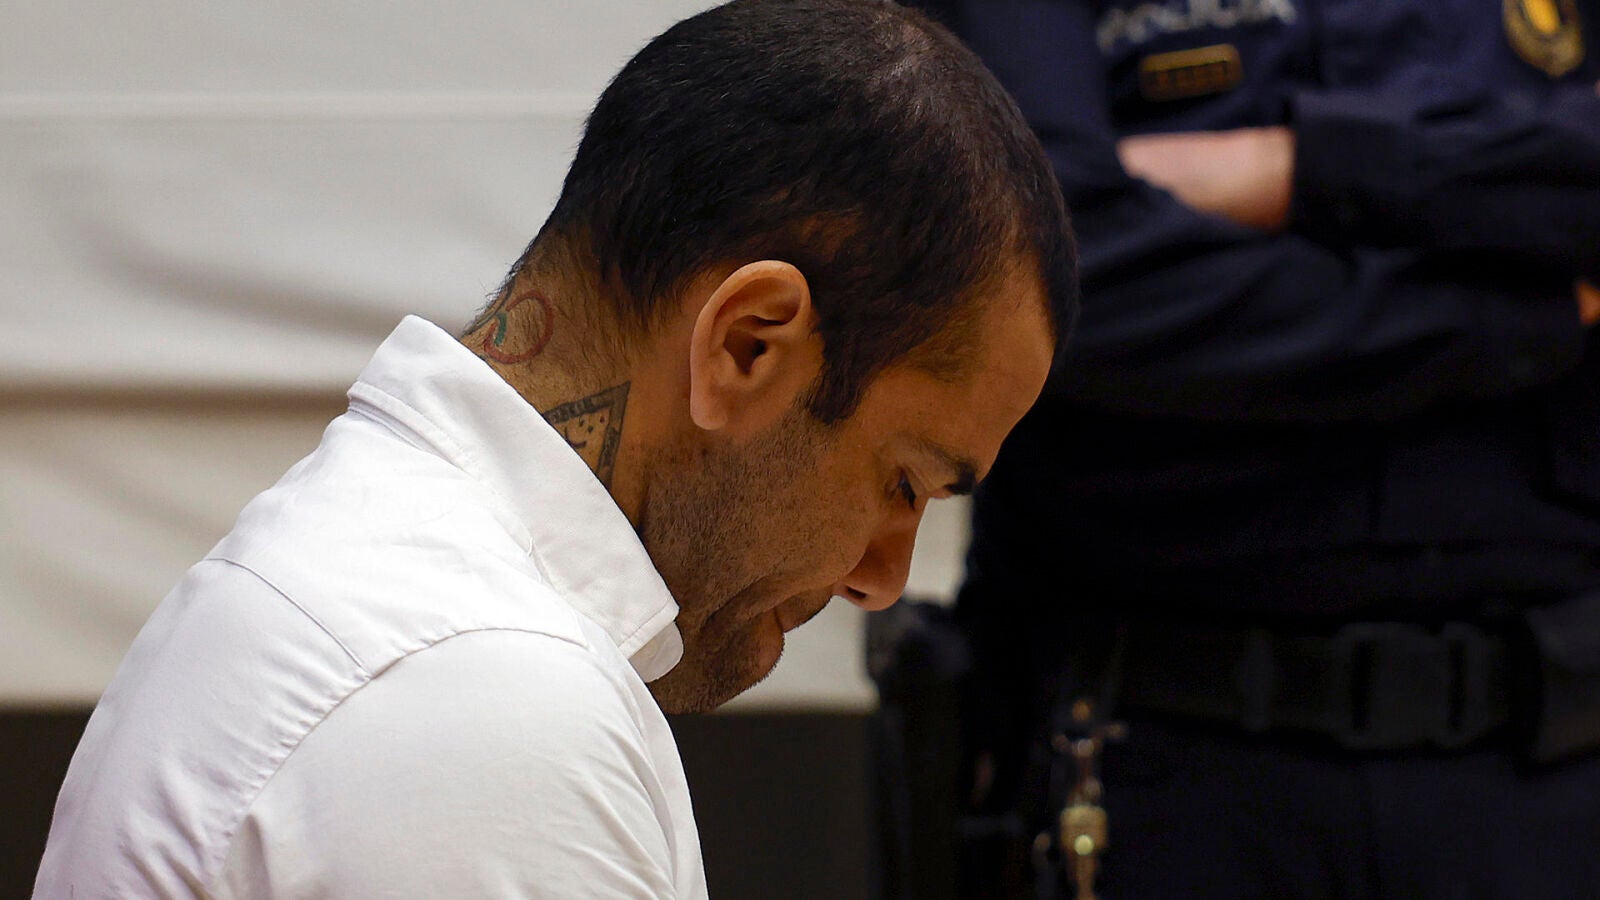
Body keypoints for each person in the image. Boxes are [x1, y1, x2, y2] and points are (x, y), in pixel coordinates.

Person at [32, 1, 1078, 896]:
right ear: (747, 345)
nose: (882, 580)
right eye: (904, 482)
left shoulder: (383, 586)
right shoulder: (482, 703)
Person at [904, 0, 1600, 897]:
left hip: (1548, 758)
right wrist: (1523, 313)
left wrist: (1291, 164)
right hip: (1151, 753)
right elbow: (1036, 265)